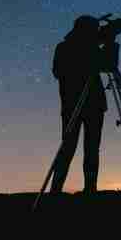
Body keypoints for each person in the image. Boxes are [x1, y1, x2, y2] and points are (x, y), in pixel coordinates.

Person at [50, 15, 108, 194]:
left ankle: (90, 189)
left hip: (93, 104)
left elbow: (108, 65)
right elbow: (58, 72)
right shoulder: (65, 48)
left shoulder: (90, 47)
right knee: (68, 147)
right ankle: (56, 189)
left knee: (92, 148)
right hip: (73, 104)